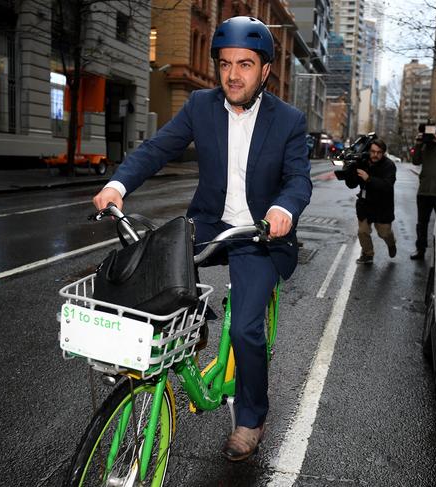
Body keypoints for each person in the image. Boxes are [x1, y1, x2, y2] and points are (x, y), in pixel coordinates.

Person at [92, 16, 312, 462]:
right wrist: (118, 185)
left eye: (246, 64)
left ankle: (251, 418)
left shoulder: (288, 120)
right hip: (210, 227)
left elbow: (298, 180)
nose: (233, 74)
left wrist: (283, 210)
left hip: (260, 234)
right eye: (226, 63)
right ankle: (168, 346)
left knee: (248, 327)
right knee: (147, 278)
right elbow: (157, 149)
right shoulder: (200, 105)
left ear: (265, 70)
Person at [343, 139, 396, 264]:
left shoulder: (389, 165)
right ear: (369, 151)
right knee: (363, 231)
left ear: (383, 153)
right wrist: (349, 171)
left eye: (379, 152)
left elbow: (387, 186)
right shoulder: (362, 162)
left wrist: (368, 179)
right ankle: (367, 254)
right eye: (373, 151)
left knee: (384, 233)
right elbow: (352, 184)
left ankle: (391, 243)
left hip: (382, 206)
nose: (375, 155)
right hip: (365, 204)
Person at [410, 132, 436, 260]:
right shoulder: (424, 146)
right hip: (424, 192)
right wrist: (418, 143)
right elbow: (415, 161)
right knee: (421, 224)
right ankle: (420, 250)